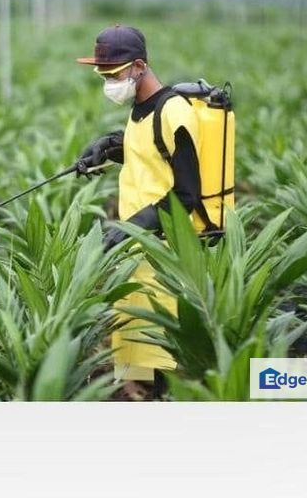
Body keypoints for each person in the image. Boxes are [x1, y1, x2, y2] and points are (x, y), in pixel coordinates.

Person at [75, 24, 204, 388]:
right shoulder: (141, 108)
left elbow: (186, 194)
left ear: (139, 66)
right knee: (131, 339)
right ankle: (136, 403)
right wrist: (106, 148)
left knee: (154, 346)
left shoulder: (175, 114)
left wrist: (129, 227)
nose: (107, 81)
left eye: (113, 73)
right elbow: (146, 157)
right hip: (137, 246)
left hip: (162, 251)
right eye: (102, 73)